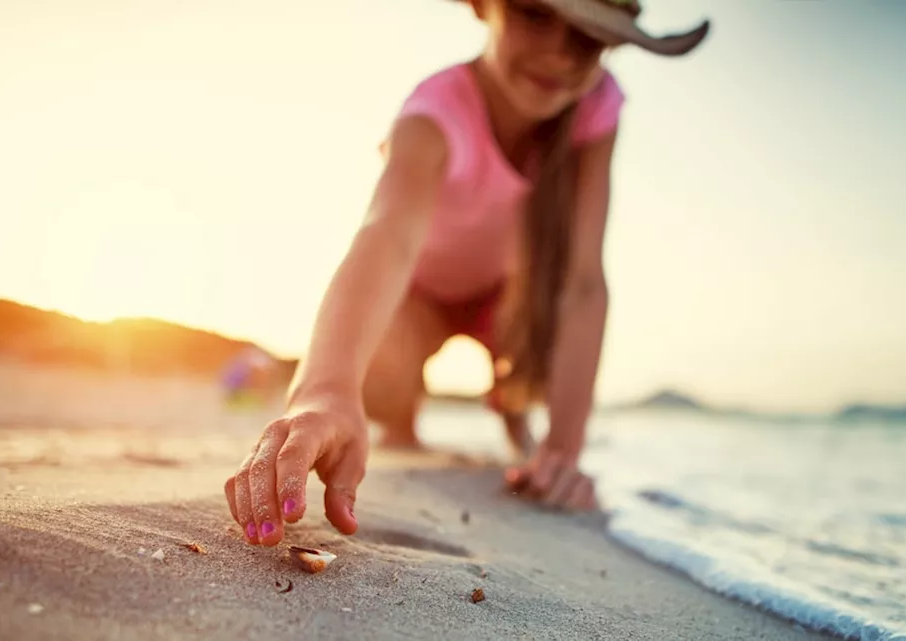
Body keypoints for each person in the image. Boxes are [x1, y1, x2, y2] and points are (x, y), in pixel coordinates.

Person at [225, 0, 709, 546]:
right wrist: (327, 390)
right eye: (534, 15)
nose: (559, 52)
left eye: (587, 38)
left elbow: (583, 282)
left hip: (507, 298)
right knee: (384, 382)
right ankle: (403, 414)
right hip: (419, 294)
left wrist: (565, 451)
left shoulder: (596, 105)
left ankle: (515, 413)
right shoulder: (435, 110)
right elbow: (386, 237)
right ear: (486, 7)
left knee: (535, 391)